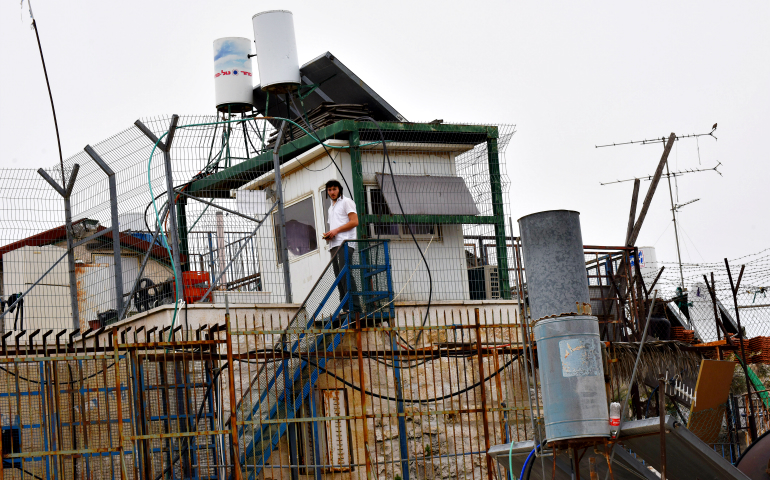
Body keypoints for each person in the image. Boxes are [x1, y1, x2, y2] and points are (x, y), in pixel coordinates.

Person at [321, 179, 359, 311]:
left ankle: (355, 307)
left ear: (339, 189)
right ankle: (345, 307)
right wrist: (329, 235)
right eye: (330, 190)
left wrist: (336, 231)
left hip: (345, 242)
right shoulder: (331, 207)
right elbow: (335, 226)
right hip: (334, 244)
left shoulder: (346, 201)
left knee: (345, 273)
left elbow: (354, 222)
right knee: (338, 276)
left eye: (334, 189)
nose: (332, 192)